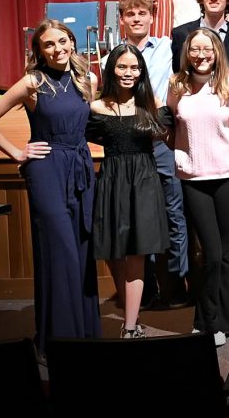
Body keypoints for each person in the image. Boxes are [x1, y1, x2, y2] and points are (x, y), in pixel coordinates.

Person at [0, 20, 100, 354]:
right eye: (49, 45)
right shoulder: (34, 82)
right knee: (60, 254)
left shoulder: (88, 79)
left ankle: (84, 335)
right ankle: (59, 343)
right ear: (39, 52)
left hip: (81, 169)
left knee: (81, 250)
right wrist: (17, 151)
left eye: (63, 41)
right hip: (47, 171)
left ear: (72, 42)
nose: (58, 49)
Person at [87, 43, 170, 338]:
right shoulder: (97, 108)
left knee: (136, 252)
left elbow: (167, 134)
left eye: (134, 67)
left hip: (143, 180)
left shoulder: (152, 104)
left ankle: (130, 325)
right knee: (112, 251)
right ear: (112, 69)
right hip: (111, 179)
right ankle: (130, 310)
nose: (128, 72)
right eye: (122, 66)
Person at [167, 30, 229, 346]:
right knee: (210, 253)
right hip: (193, 179)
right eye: (195, 49)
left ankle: (225, 321)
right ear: (187, 52)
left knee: (224, 253)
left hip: (226, 175)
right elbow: (171, 125)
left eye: (207, 48)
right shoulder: (177, 86)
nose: (201, 54)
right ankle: (208, 320)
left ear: (217, 51)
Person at [115, 0, 188, 306]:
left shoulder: (166, 47)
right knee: (140, 215)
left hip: (161, 136)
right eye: (130, 14)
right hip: (130, 140)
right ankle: (147, 288)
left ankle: (176, 284)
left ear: (151, 16)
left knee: (174, 212)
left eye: (141, 13)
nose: (136, 19)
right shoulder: (113, 58)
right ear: (121, 20)